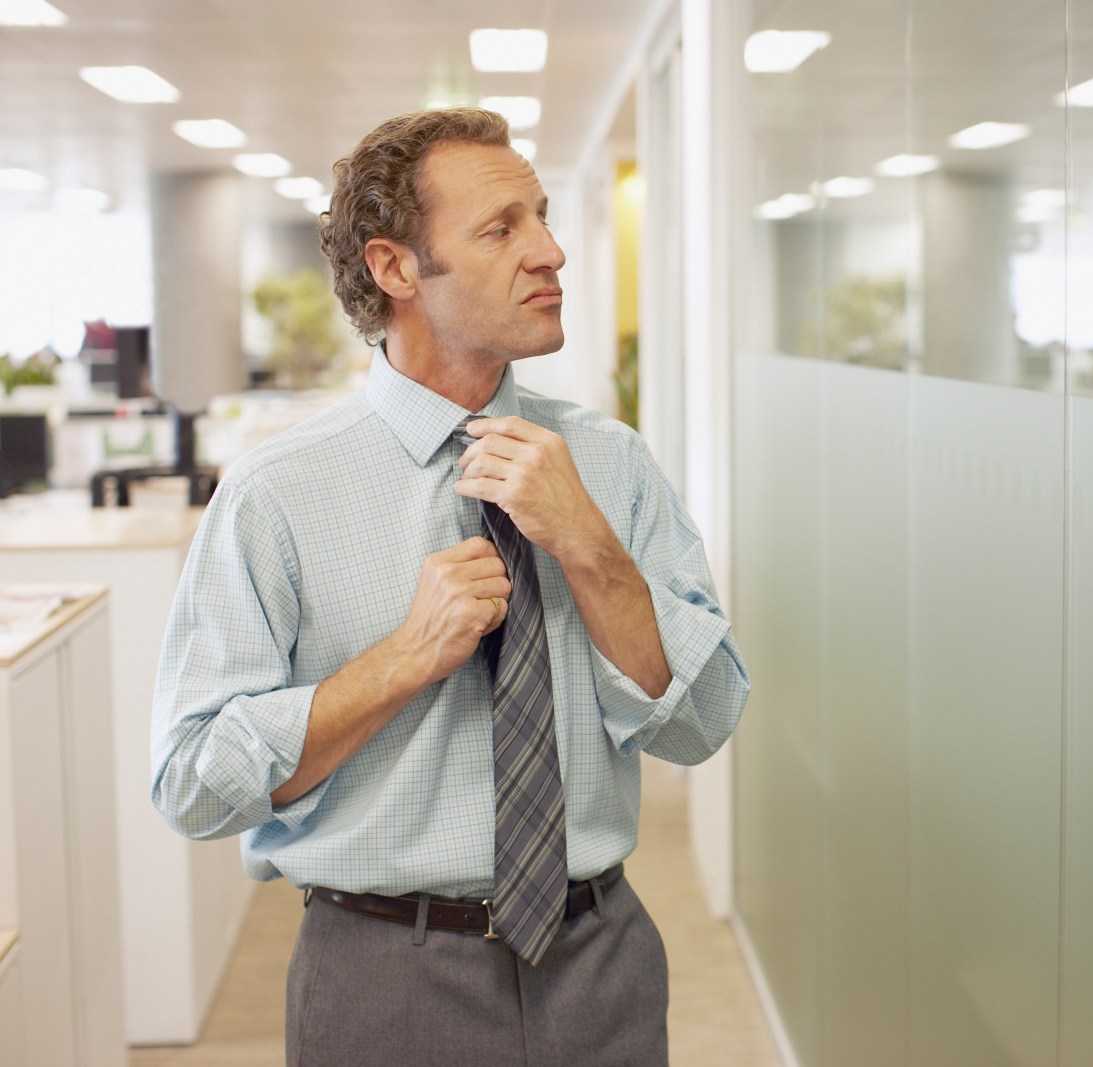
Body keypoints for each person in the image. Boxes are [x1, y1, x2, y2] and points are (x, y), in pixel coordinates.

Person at [151, 107, 749, 1067]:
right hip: (382, 978)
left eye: (543, 217)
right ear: (395, 269)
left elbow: (704, 719)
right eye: (502, 227)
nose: (551, 251)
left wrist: (589, 546)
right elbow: (191, 783)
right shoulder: (277, 493)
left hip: (601, 965)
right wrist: (402, 660)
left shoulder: (610, 464)